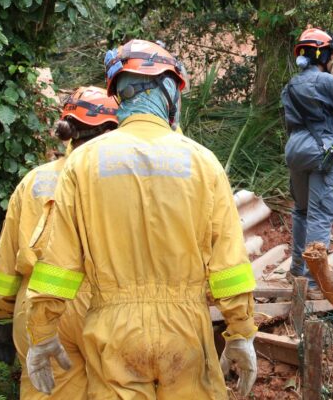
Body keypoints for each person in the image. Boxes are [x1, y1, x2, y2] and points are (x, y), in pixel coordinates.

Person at [24, 39, 258, 398]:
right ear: (169, 88)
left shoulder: (82, 164)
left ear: (120, 93)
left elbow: (58, 265)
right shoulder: (202, 162)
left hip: (113, 334)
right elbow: (229, 264)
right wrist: (240, 332)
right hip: (186, 334)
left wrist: (42, 333)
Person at [0, 87, 119, 399]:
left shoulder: (34, 182)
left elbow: (5, 264)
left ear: (67, 130)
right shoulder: (126, 182)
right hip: (107, 308)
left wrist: (3, 320)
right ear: (115, 129)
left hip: (39, 308)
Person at [282, 28, 333, 296]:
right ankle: (314, 281)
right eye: (330, 55)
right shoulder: (327, 82)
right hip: (323, 152)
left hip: (296, 150)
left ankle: (296, 271)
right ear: (323, 53)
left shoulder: (291, 85)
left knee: (301, 211)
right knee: (320, 215)